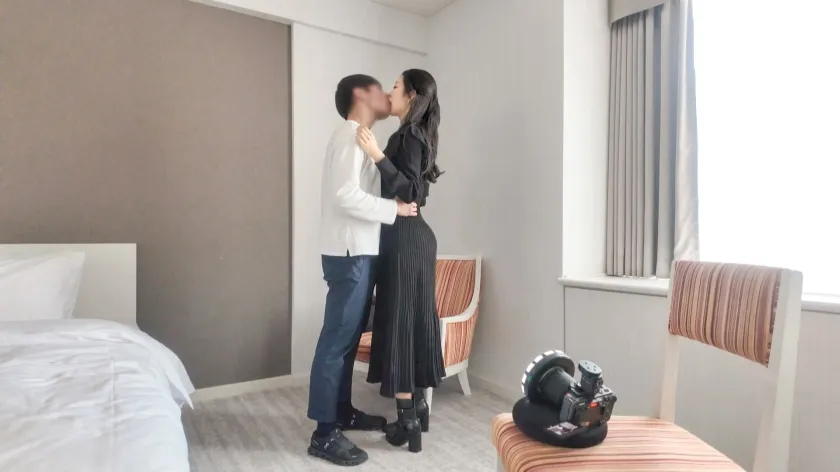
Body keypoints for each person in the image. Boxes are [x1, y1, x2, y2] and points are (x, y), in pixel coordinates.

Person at [307, 74, 418, 467]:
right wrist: (395, 209)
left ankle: (341, 412)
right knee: (337, 342)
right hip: (349, 252)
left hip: (360, 250)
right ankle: (323, 434)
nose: (388, 94)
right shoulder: (349, 134)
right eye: (379, 89)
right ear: (360, 94)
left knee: (349, 341)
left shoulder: (363, 138)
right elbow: (345, 195)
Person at [355, 69, 445, 454]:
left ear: (410, 96)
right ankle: (418, 409)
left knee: (400, 324)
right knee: (409, 321)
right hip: (412, 238)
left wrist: (376, 154)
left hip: (406, 240)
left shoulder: (407, 136)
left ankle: (407, 420)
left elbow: (410, 191)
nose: (389, 92)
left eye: (395, 86)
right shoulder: (415, 135)